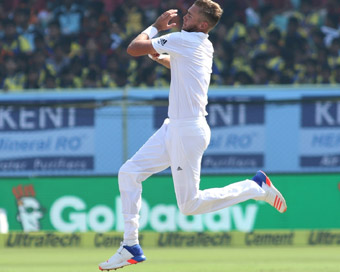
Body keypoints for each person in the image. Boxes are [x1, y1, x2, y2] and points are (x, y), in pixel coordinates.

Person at [99, 1, 287, 271]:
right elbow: (181, 68)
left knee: (189, 205)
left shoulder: (184, 40)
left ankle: (255, 188)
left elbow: (133, 48)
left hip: (187, 132)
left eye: (191, 15)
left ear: (202, 24)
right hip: (174, 127)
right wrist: (162, 56)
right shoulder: (200, 43)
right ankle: (131, 245)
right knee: (128, 173)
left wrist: (154, 27)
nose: (185, 16)